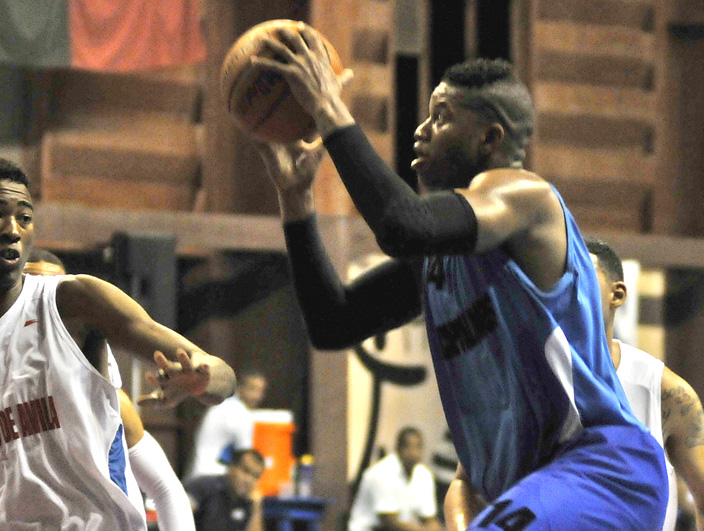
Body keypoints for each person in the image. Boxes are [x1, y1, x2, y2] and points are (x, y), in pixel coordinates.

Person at [250, 34, 668, 530]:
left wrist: (327, 107)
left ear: (490, 139)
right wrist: (296, 203)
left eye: (442, 116)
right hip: (533, 489)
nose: (422, 130)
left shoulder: (522, 195)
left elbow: (402, 224)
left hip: (601, 470)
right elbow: (332, 323)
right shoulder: (438, 260)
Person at [0, 158, 236, 529]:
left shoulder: (75, 302)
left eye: (25, 218)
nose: (13, 229)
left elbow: (220, 374)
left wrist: (205, 380)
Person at [586, 237, 704, 531]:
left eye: (582, 277)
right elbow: (466, 483)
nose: (570, 291)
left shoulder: (666, 392)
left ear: (618, 294)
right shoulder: (531, 377)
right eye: (562, 282)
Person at [349, 426, 442, 531]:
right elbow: (390, 521)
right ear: (397, 449)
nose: (414, 453)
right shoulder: (382, 473)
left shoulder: (424, 475)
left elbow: (428, 517)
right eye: (408, 447)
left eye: (418, 447)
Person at [188, 368, 266, 479]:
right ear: (240, 388)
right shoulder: (241, 413)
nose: (257, 396)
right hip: (214, 478)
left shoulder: (222, 405)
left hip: (196, 475)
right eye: (252, 389)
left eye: (260, 391)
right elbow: (247, 458)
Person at [184, 448, 265, 531]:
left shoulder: (249, 503)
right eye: (246, 471)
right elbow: (179, 517)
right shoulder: (203, 486)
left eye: (255, 476)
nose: (249, 480)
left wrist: (256, 508)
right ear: (231, 467)